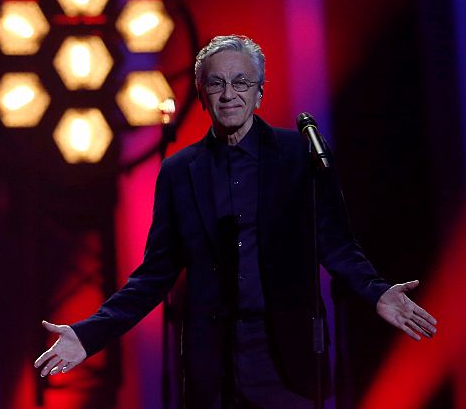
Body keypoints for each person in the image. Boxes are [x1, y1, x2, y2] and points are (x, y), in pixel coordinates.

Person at [34, 35, 436, 408]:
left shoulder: (298, 156)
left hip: (287, 361)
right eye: (216, 84)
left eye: (241, 83)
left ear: (259, 92)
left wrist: (376, 291)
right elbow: (154, 275)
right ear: (202, 95)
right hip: (215, 365)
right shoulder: (180, 172)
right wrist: (89, 334)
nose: (228, 94)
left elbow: (335, 241)